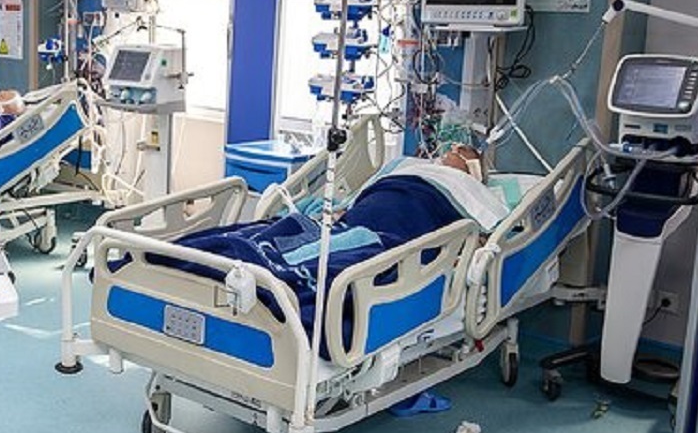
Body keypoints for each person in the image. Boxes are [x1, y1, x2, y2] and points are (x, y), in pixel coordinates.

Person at [169, 143, 507, 355]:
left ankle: (268, 283)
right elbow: (358, 199)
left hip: (400, 229)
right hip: (363, 215)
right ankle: (230, 260)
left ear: (472, 169)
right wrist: (340, 212)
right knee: (285, 234)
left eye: (459, 152)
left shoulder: (473, 193)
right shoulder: (406, 168)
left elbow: (482, 234)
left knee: (340, 264)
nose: (448, 152)